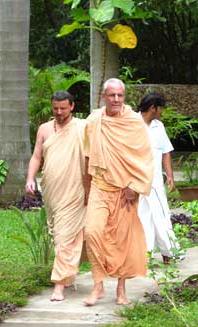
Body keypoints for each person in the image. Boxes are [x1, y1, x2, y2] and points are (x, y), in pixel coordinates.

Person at [83, 78, 154, 306]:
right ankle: (98, 286)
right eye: (111, 95)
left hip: (125, 191)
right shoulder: (94, 121)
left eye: (119, 95)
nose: (115, 99)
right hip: (100, 186)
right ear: (104, 96)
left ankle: (121, 291)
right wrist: (86, 188)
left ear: (124, 97)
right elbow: (87, 155)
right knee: (92, 232)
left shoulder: (134, 122)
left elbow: (145, 158)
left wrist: (135, 187)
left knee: (123, 240)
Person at [25, 90, 86, 301]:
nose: (59, 112)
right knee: (59, 235)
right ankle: (68, 273)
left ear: (72, 106)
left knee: (64, 236)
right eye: (55, 109)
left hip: (75, 191)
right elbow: (36, 157)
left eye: (63, 108)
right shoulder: (44, 129)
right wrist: (30, 179)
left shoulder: (82, 127)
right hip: (52, 192)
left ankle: (59, 286)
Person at [138, 93, 182, 264]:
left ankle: (169, 252)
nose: (162, 112)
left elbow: (165, 152)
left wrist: (170, 176)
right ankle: (145, 255)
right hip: (135, 181)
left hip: (155, 181)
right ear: (152, 108)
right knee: (142, 217)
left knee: (161, 214)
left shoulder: (159, 126)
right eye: (161, 108)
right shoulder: (131, 123)